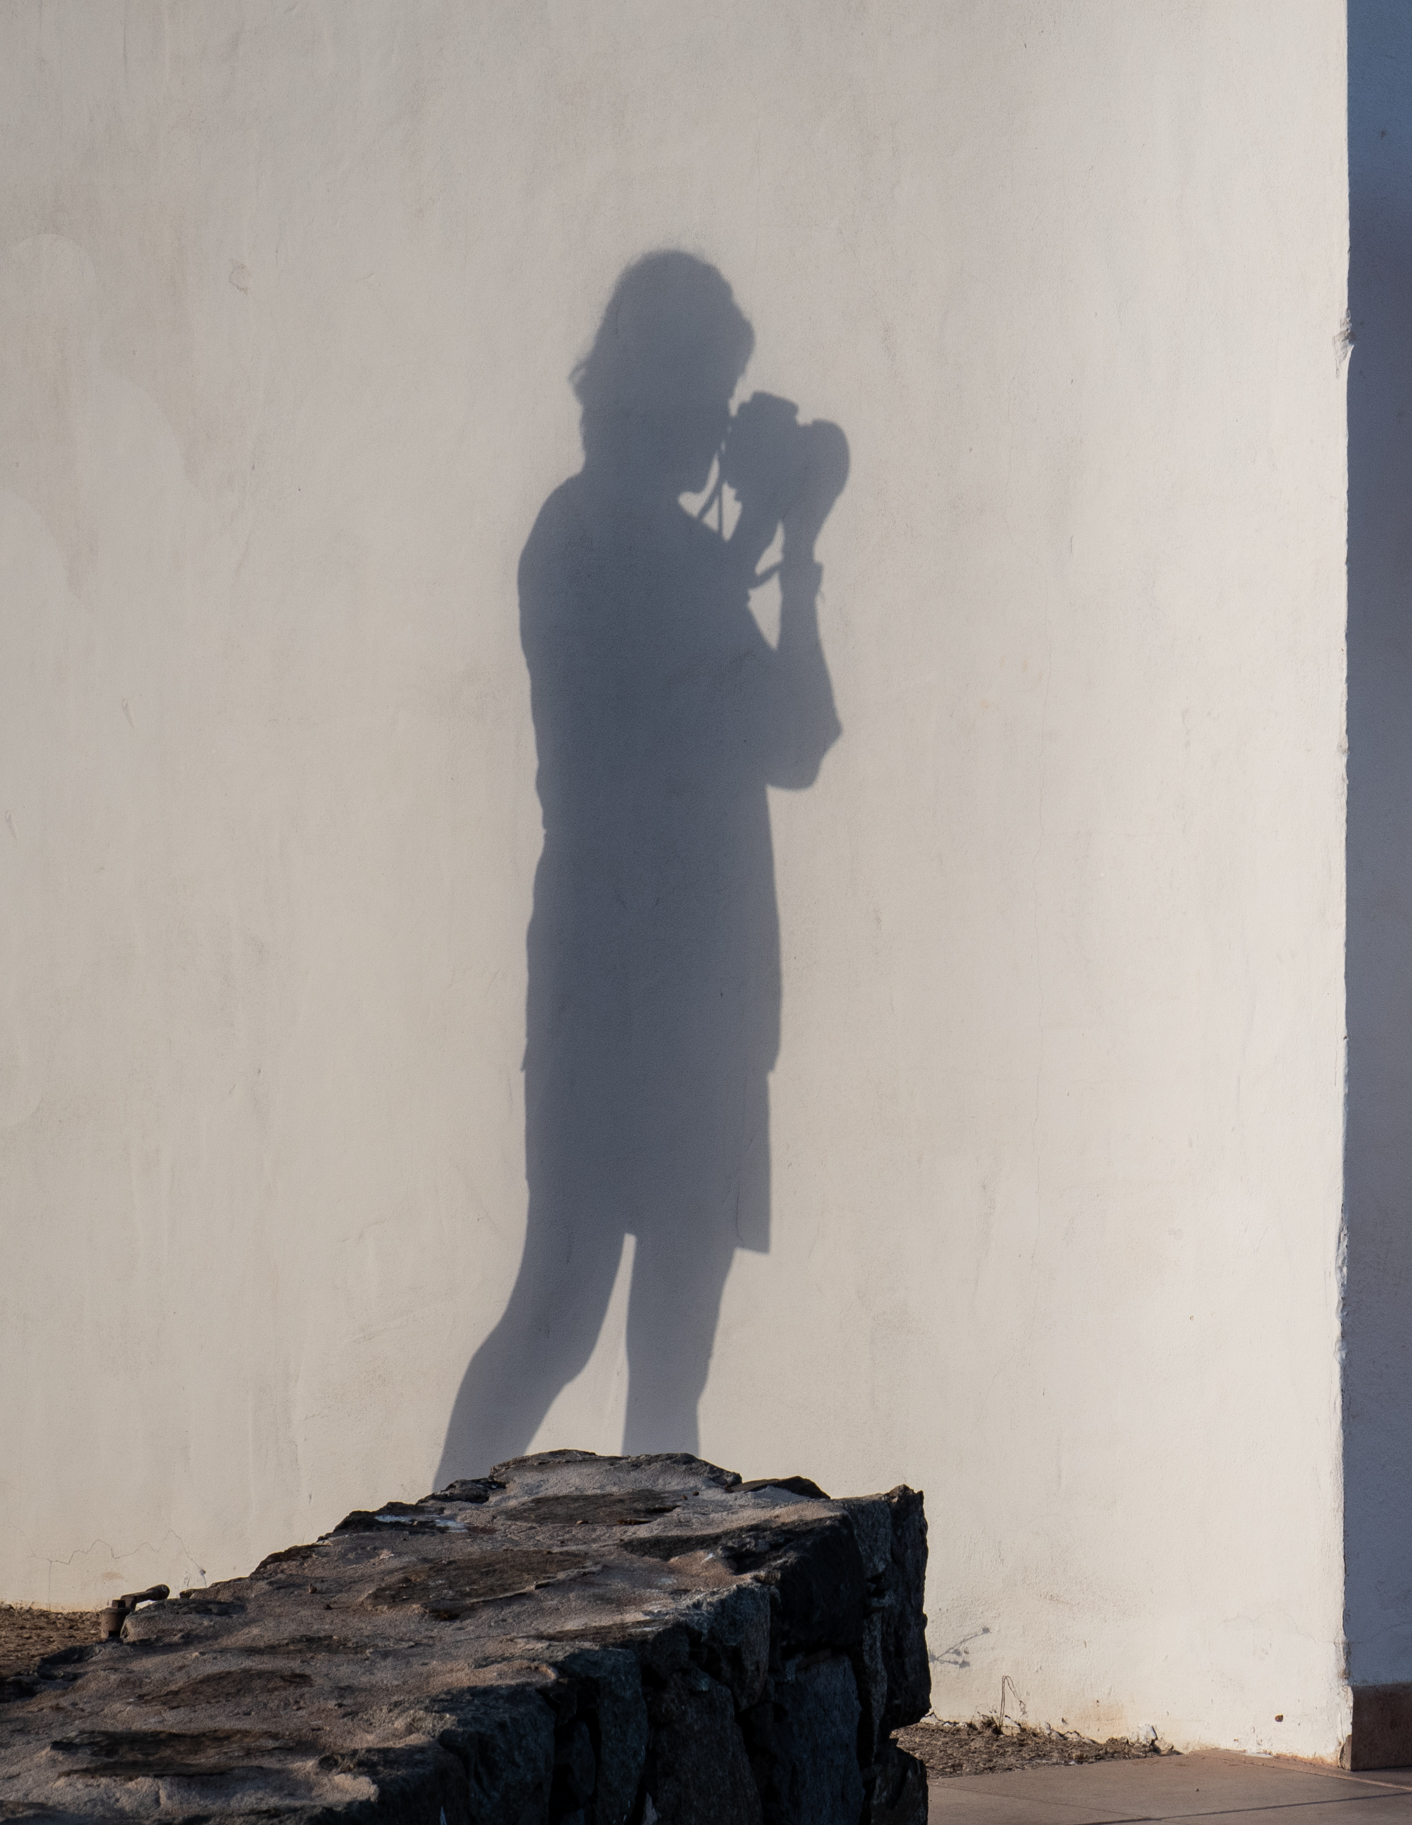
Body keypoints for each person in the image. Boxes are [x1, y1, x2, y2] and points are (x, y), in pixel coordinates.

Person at [434, 252, 847, 1487]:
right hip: (620, 969)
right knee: (561, 1306)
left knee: (673, 1335)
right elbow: (673, 703)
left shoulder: (678, 543)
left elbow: (796, 741)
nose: (728, 416)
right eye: (713, 386)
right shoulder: (586, 532)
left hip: (706, 977)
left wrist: (796, 559)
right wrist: (767, 532)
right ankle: (420, 1553)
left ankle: (648, 1621)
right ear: (652, 386)